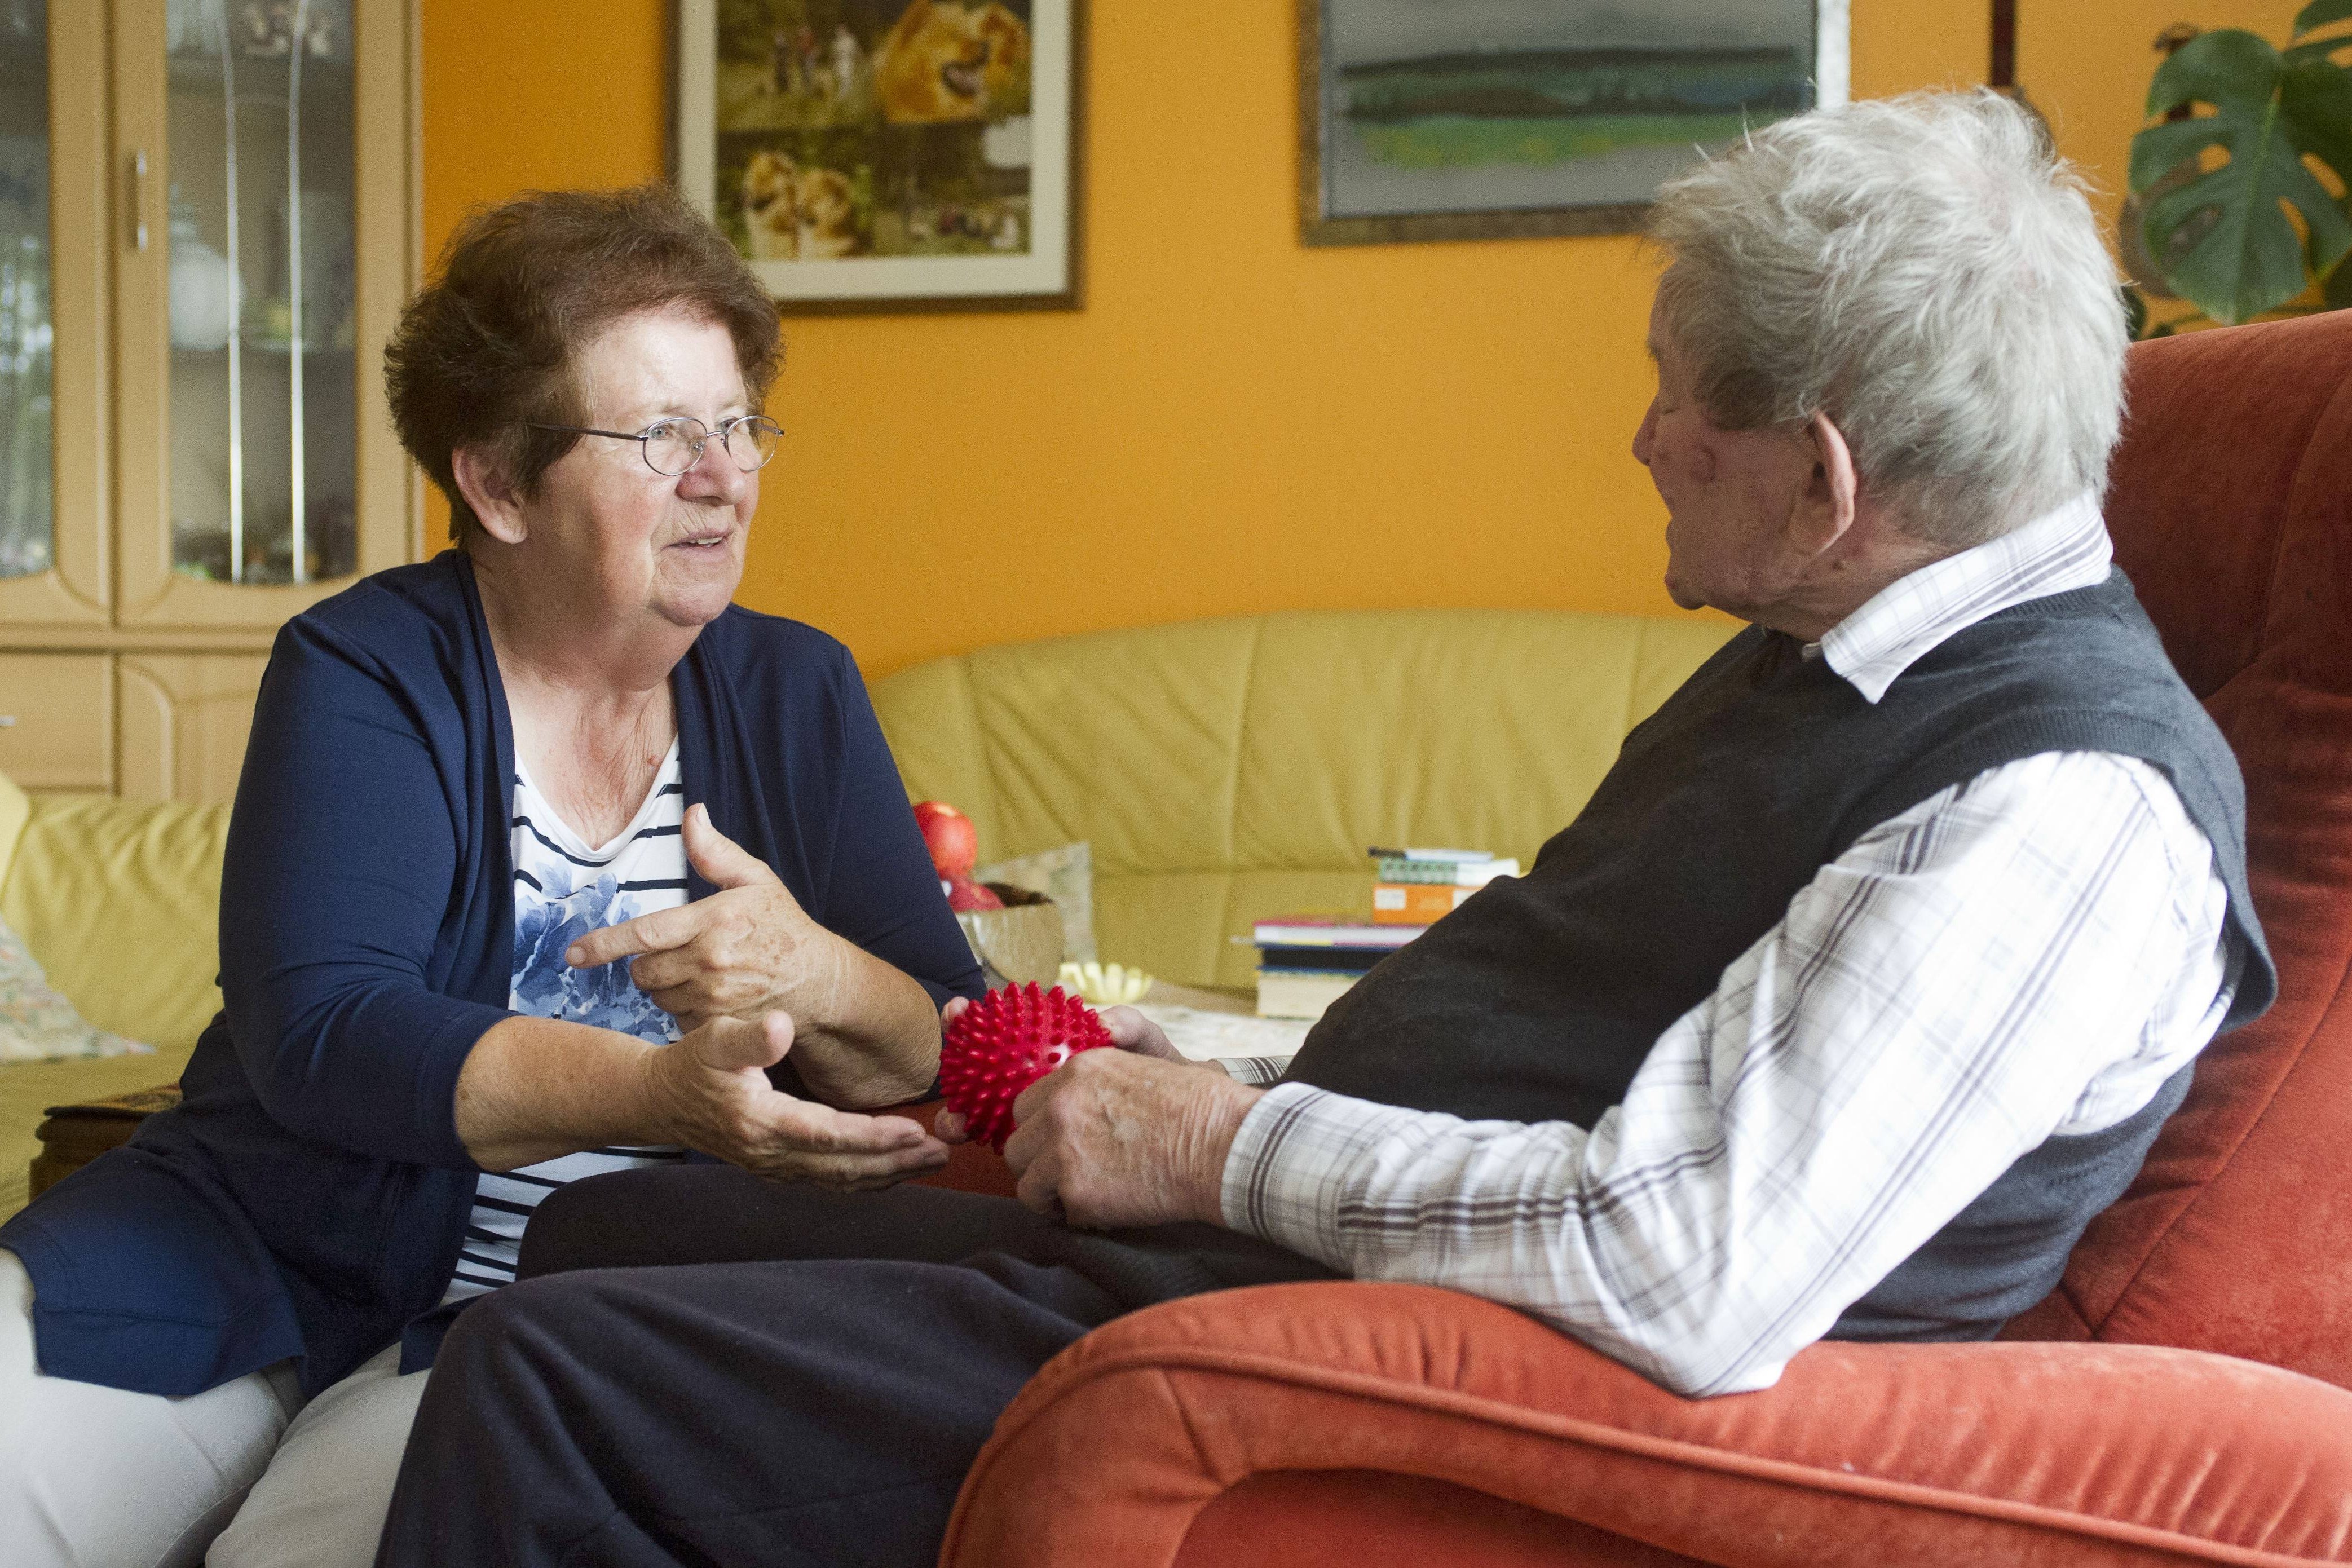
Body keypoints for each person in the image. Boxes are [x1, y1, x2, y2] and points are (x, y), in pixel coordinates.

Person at [372, 92, 2278, 1568]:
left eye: (1678, 405)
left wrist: (1222, 1140)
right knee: (601, 1241)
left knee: (543, 1381)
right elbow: (1569, 1033)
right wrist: (1187, 1076)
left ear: (1828, 472)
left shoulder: (2062, 812)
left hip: (1375, 1369)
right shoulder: (1835, 653)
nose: (1638, 442)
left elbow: (1685, 1262)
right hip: (1284, 1254)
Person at [0, 185, 981, 1568]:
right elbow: (328, 1031)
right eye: (660, 434)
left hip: (569, 1311)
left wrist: (819, 970)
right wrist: (656, 1092)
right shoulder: (363, 666)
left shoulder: (798, 690)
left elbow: (943, 1045)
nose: (723, 474)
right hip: (256, 1244)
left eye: (735, 421)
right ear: (500, 483)